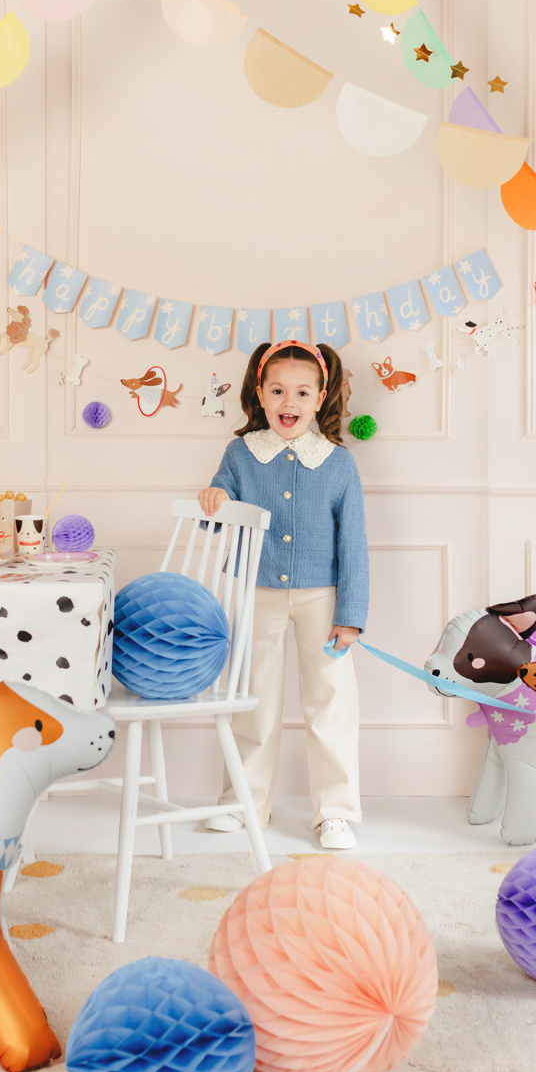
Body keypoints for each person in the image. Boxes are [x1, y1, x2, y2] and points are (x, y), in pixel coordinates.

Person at [197, 340, 369, 850]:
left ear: (319, 399)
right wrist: (215, 498)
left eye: (301, 392)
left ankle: (335, 812)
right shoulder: (241, 454)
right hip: (256, 591)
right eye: (277, 391)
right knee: (254, 701)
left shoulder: (338, 463)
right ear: (260, 394)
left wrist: (351, 614)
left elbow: (353, 544)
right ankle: (243, 801)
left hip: (323, 598)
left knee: (331, 703)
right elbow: (218, 510)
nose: (288, 401)